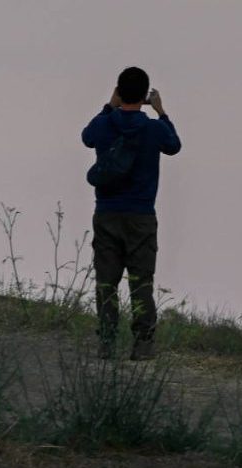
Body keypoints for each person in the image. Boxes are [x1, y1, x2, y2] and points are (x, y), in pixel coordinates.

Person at [81, 66, 181, 360]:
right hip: (141, 215)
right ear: (145, 95)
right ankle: (142, 344)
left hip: (107, 213)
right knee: (141, 282)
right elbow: (174, 146)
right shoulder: (153, 128)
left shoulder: (105, 124)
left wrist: (107, 106)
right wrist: (162, 112)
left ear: (119, 91)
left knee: (106, 282)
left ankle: (108, 342)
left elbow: (87, 137)